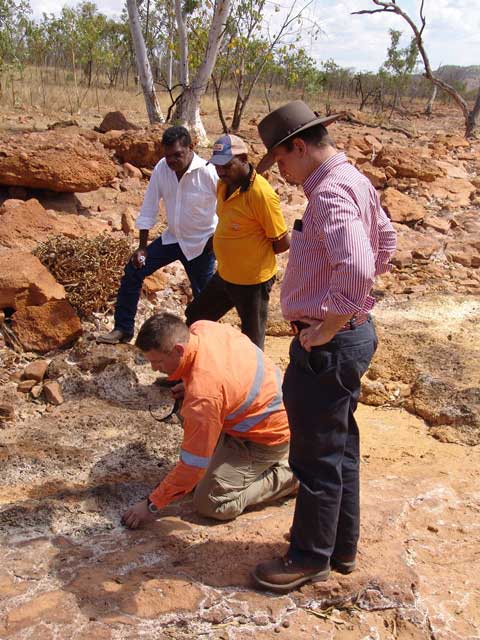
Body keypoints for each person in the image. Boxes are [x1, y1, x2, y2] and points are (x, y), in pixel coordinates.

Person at [251, 100, 397, 592]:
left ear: (298, 146)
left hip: (330, 342)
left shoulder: (331, 192)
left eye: (283, 161)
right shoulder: (353, 179)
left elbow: (357, 269)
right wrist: (349, 313)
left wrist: (328, 326)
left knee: (314, 455)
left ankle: (309, 556)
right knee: (339, 447)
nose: (284, 174)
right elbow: (388, 243)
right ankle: (341, 546)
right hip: (352, 334)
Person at [121, 313, 297, 529]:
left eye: (157, 361)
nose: (154, 369)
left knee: (211, 502)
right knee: (192, 415)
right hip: (275, 405)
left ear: (178, 350)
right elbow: (225, 369)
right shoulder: (203, 327)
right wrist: (189, 384)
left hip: (268, 436)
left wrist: (151, 505)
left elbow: (192, 466)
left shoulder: (204, 396)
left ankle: (292, 474)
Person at [97, 126, 218, 345]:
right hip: (173, 239)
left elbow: (227, 208)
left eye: (177, 155)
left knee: (206, 300)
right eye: (168, 156)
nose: (171, 161)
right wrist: (142, 247)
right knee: (134, 269)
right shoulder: (163, 168)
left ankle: (202, 346)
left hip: (202, 243)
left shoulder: (209, 172)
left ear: (191, 147)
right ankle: (123, 329)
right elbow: (149, 206)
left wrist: (216, 240)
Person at [184, 134, 290, 350]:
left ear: (243, 159)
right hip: (224, 275)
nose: (220, 171)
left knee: (252, 341)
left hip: (253, 282)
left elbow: (281, 243)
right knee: (196, 317)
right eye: (216, 166)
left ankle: (251, 382)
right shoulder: (224, 185)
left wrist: (250, 253)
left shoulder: (261, 194)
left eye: (226, 165)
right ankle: (191, 367)